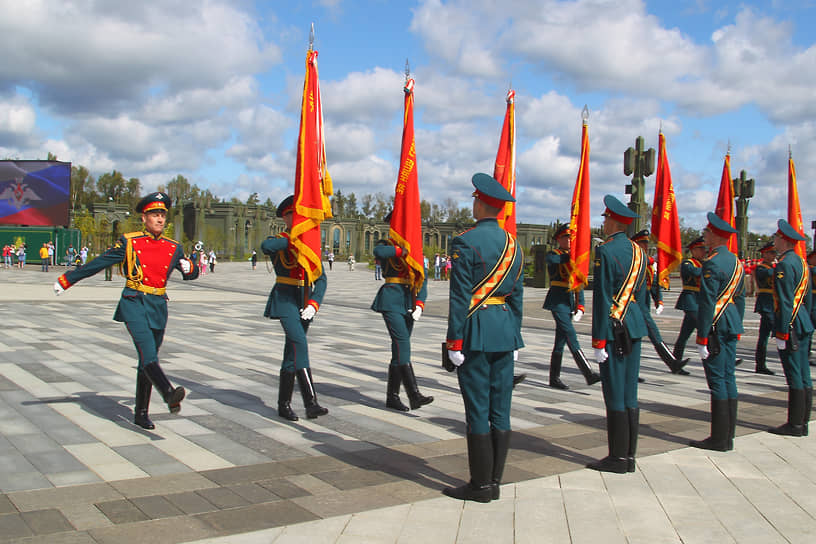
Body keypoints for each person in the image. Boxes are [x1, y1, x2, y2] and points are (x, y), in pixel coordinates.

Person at [53, 192, 198, 429]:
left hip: (159, 306)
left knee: (146, 362)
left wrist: (190, 267)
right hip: (134, 303)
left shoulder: (174, 247)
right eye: (155, 215)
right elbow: (100, 262)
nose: (160, 219)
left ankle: (141, 413)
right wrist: (68, 279)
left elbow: (190, 274)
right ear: (144, 218)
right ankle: (169, 393)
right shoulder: (130, 243)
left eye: (162, 215)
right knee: (148, 353)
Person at [443, 173, 523, 503]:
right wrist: (516, 335)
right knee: (500, 410)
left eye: (474, 200)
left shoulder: (466, 241)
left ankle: (480, 486)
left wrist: (454, 341)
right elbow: (515, 295)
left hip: (475, 334)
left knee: (477, 409)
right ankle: (495, 481)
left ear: (480, 203)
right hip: (505, 333)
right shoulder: (514, 245)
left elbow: (460, 296)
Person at [587, 195, 647, 474]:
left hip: (613, 327)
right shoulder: (639, 252)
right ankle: (630, 455)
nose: (604, 222)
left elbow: (601, 298)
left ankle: (617, 457)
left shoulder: (606, 251)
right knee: (630, 393)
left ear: (614, 221)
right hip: (633, 324)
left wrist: (598, 339)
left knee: (614, 394)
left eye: (606, 218)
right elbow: (642, 296)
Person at [261, 195, 329, 421]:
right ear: (285, 218)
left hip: (304, 300)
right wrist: (294, 240)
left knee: (292, 353)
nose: (296, 217)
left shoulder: (309, 245)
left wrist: (314, 303)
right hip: (285, 298)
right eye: (291, 214)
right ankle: (311, 402)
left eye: (299, 213)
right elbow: (266, 246)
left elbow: (321, 279)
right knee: (300, 343)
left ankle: (284, 404)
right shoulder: (282, 239)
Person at [689, 213, 745, 451]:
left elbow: (707, 302)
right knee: (729, 376)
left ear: (716, 235)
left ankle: (719, 438)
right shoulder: (736, 261)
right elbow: (739, 299)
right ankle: (728, 434)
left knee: (717, 380)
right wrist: (738, 324)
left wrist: (702, 336)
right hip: (731, 322)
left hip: (716, 326)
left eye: (707, 232)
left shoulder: (712, 262)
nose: (705, 236)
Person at [371, 213, 433, 413]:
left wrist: (420, 304)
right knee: (402, 344)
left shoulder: (414, 248)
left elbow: (422, 278)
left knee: (399, 349)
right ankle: (414, 394)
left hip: (409, 301)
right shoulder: (387, 245)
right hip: (391, 299)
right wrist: (401, 249)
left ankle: (392, 396)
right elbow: (378, 250)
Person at [768, 220, 813, 436]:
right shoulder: (802, 262)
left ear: (783, 240)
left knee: (795, 373)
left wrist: (782, 330)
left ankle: (794, 424)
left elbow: (786, 301)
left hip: (791, 322)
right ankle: (803, 421)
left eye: (776, 238)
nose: (774, 241)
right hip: (803, 319)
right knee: (804, 373)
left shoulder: (785, 264)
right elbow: (808, 297)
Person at [542, 223, 600, 389]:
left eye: (571, 237)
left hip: (569, 302)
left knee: (560, 341)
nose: (569, 240)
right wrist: (577, 253)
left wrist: (580, 305)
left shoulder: (574, 259)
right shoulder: (555, 254)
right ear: (558, 239)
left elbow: (578, 283)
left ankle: (554, 378)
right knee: (570, 334)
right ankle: (588, 372)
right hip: (557, 301)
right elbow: (553, 260)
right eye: (565, 237)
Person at [631, 229, 688, 374]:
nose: (644, 246)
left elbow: (653, 283)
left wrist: (659, 301)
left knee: (641, 338)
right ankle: (672, 362)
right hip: (632, 306)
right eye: (642, 243)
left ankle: (671, 363)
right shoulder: (633, 261)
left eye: (646, 243)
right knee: (642, 337)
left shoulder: (646, 264)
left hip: (643, 307)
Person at [671, 236, 707, 370]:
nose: (704, 252)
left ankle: (675, 362)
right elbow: (696, 273)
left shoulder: (704, 264)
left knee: (684, 335)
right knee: (705, 329)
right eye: (701, 249)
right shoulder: (688, 263)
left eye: (704, 249)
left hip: (699, 300)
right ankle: (718, 359)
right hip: (690, 300)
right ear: (693, 250)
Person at [753, 242, 777, 375]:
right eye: (771, 253)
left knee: (764, 335)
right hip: (765, 303)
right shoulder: (761, 268)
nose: (774, 255)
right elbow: (768, 274)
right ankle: (761, 364)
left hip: (772, 303)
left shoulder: (773, 266)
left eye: (774, 253)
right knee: (776, 330)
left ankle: (760, 364)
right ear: (765, 254)